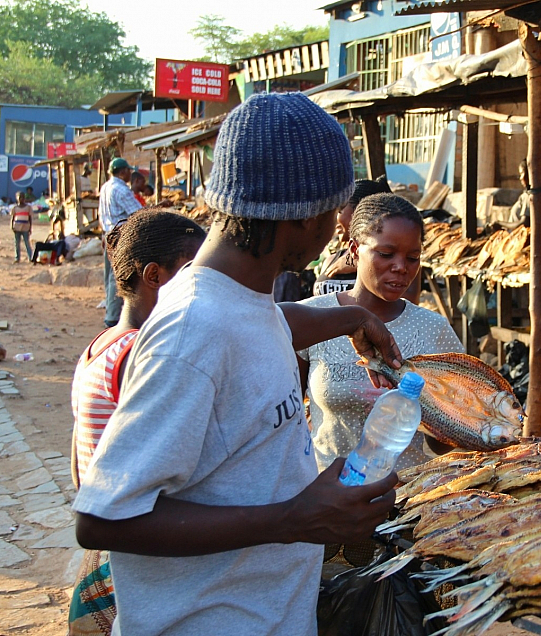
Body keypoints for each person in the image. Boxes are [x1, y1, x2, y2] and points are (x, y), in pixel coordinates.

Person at [73, 92, 401, 636]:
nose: (333, 233)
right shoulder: (191, 333)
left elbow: (266, 325)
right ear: (304, 216)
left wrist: (350, 319)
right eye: (333, 214)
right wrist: (293, 519)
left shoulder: (237, 299)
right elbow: (102, 517)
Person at [68, 209, 205, 635]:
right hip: (131, 547)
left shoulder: (101, 343)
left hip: (110, 541)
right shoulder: (140, 355)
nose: (205, 288)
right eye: (192, 273)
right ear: (153, 276)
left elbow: (79, 460)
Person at [298, 192, 464, 472]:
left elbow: (443, 445)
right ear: (354, 249)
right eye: (386, 254)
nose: (401, 267)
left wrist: (436, 407)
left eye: (413, 258)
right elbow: (285, 417)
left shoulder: (433, 330)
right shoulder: (314, 318)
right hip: (327, 497)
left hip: (408, 501)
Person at [313, 175, 392, 296]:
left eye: (340, 211)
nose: (335, 218)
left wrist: (363, 265)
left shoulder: (395, 261)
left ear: (361, 213)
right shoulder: (331, 260)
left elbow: (407, 302)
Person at [98, 157, 142, 328]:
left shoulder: (105, 187)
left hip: (109, 234)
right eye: (128, 171)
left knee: (110, 276)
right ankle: (113, 317)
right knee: (120, 276)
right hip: (121, 235)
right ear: (123, 171)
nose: (129, 174)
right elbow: (138, 214)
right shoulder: (121, 190)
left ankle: (111, 311)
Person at [506, 158, 541, 230]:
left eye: (521, 174)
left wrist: (500, 223)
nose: (520, 178)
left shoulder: (529, 196)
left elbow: (524, 223)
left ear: (530, 174)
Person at [10, 191, 33, 263]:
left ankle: (31, 257)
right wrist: (11, 226)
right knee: (17, 243)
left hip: (25, 227)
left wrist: (30, 228)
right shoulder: (15, 208)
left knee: (27, 243)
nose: (21, 199)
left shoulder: (28, 207)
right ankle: (17, 258)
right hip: (17, 227)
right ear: (16, 198)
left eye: (23, 197)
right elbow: (12, 218)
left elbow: (30, 218)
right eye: (19, 197)